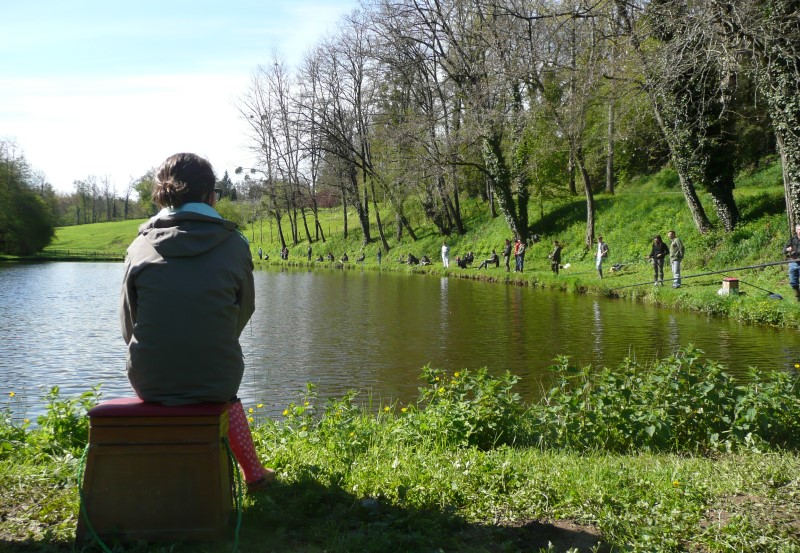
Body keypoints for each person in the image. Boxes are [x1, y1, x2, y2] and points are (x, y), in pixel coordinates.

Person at [120, 153, 273, 493]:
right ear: (211, 195)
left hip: (150, 379)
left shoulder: (139, 246)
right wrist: (213, 338)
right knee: (227, 397)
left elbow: (128, 323)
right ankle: (253, 473)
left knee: (162, 382)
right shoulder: (235, 244)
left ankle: (160, 472)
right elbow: (245, 309)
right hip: (217, 376)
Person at [784, 223, 800, 300]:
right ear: (796, 231)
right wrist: (788, 249)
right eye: (799, 229)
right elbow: (784, 250)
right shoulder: (792, 240)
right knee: (793, 282)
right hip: (793, 263)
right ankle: (798, 296)